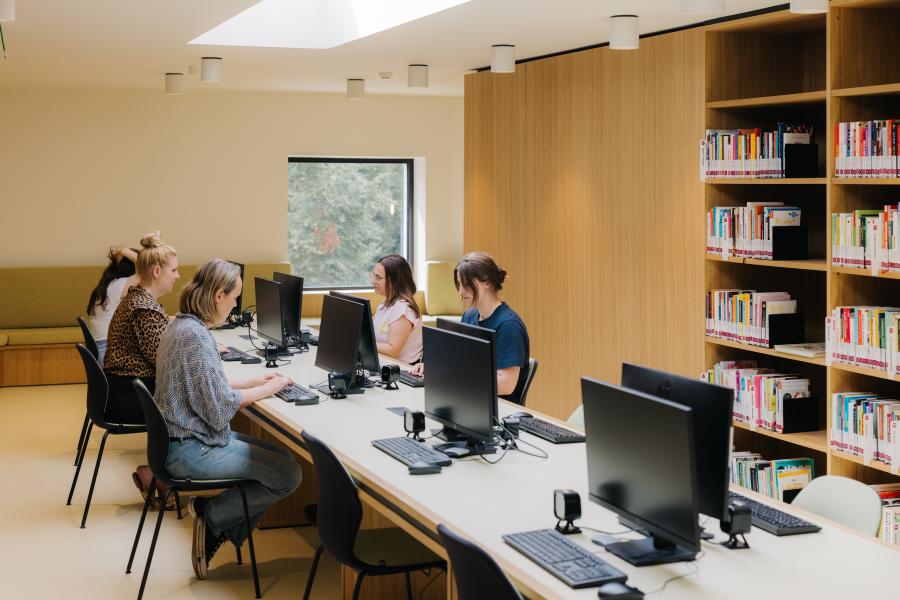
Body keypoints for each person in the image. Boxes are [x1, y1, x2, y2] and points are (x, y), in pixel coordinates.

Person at [154, 259, 301, 579]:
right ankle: (212, 517)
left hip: (181, 439)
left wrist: (252, 382)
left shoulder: (183, 325)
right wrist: (273, 387)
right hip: (188, 450)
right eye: (234, 297)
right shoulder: (195, 337)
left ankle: (219, 530)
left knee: (284, 457)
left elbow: (203, 383)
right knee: (289, 475)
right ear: (218, 295)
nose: (236, 305)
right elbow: (220, 407)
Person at [412, 252, 531, 404]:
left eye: (466, 284)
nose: (460, 291)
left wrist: (451, 375)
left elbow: (506, 385)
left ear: (487, 282)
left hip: (498, 410)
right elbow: (457, 358)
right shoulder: (469, 316)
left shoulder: (508, 326)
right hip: (469, 400)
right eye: (459, 285)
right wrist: (433, 367)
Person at [103, 231, 179, 425]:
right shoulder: (144, 309)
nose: (177, 276)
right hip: (131, 396)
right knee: (198, 397)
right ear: (156, 272)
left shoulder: (137, 299)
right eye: (173, 270)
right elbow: (166, 364)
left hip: (126, 388)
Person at [85, 245, 140, 364]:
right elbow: (146, 268)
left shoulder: (107, 286)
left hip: (100, 350)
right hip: (108, 352)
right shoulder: (117, 286)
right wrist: (123, 251)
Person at [371, 254, 423, 364]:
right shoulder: (385, 304)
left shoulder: (403, 308)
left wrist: (361, 343)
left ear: (393, 282)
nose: (373, 281)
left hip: (402, 371)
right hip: (385, 365)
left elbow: (392, 350)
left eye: (378, 278)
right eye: (373, 276)